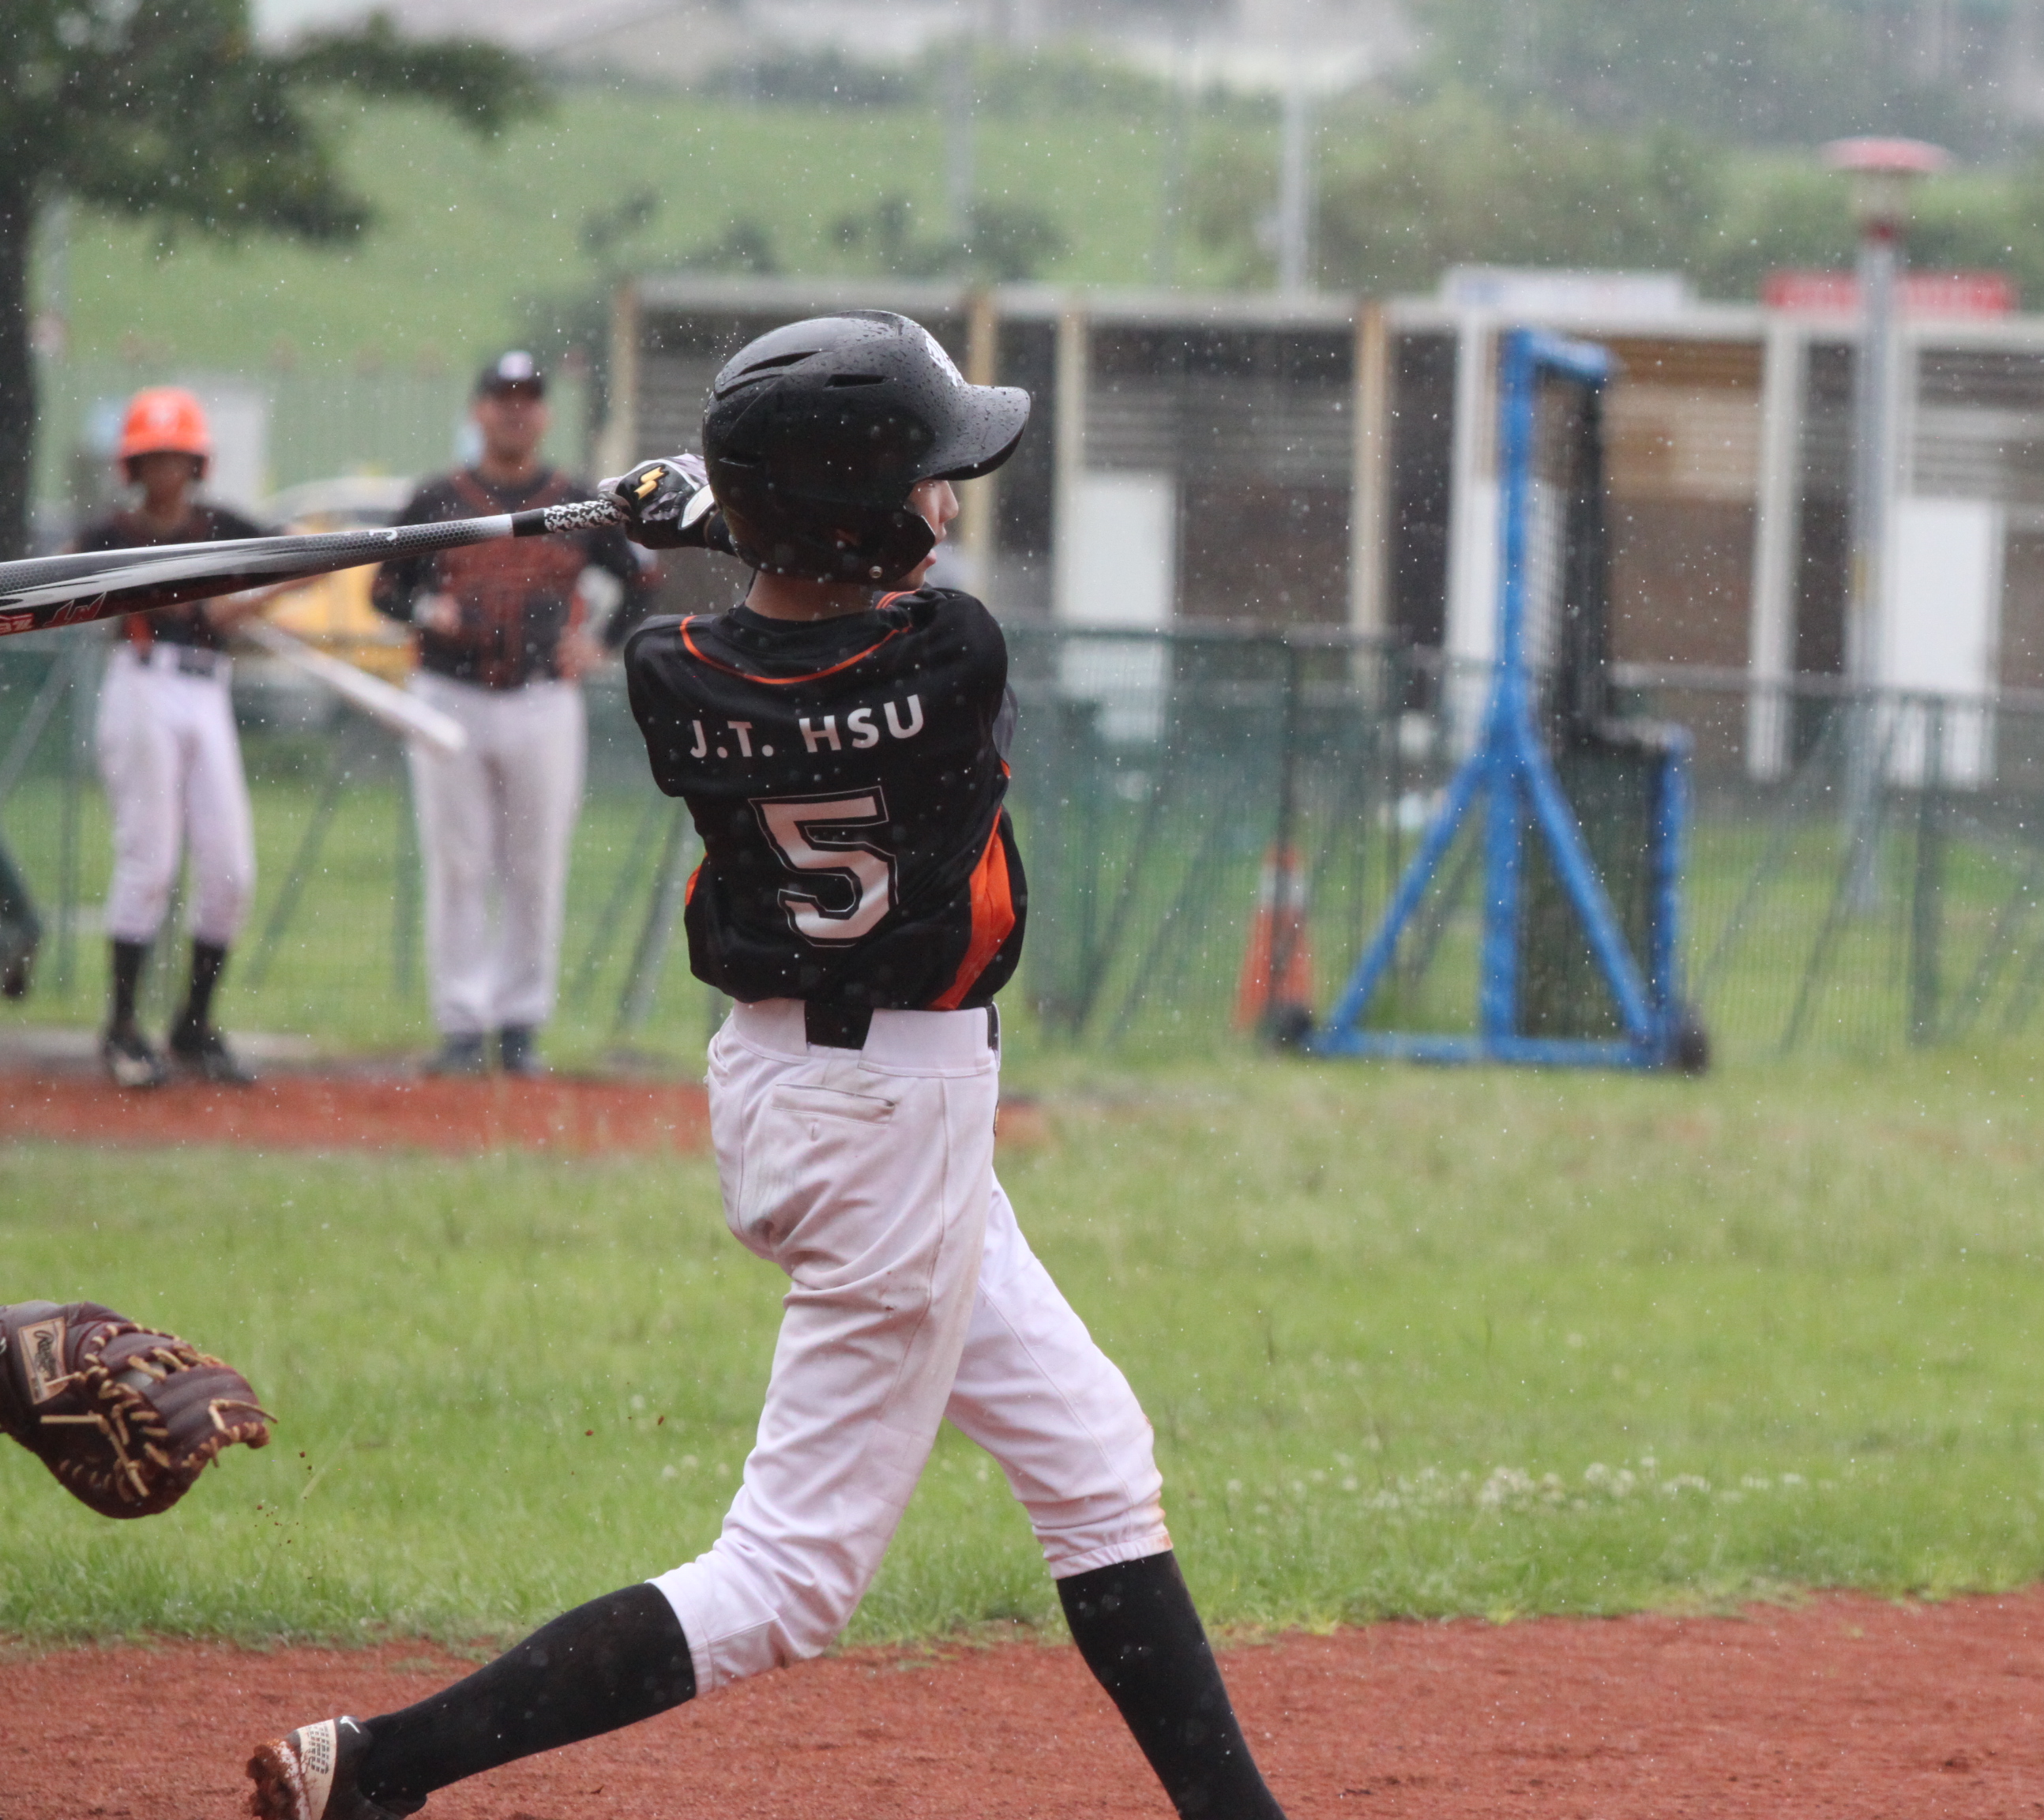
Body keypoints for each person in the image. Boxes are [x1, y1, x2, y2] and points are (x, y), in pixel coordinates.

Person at [244, 313, 1291, 1820]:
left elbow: (773, 609)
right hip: (893, 1114)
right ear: (863, 521)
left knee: (1090, 1454)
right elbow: (867, 598)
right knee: (788, 1576)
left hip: (794, 1084)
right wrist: (717, 509)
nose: (947, 498)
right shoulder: (956, 653)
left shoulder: (674, 671)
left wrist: (703, 514)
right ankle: (381, 1764)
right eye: (927, 478)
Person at [370, 352, 656, 1077]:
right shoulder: (439, 498)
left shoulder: (574, 500)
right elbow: (384, 588)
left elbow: (643, 578)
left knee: (534, 864)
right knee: (459, 862)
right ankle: (463, 1024)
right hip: (449, 693)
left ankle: (520, 1023)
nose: (515, 410)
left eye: (527, 397)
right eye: (502, 397)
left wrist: (600, 643)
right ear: (479, 410)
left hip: (541, 694)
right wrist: (425, 609)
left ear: (546, 413)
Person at [74, 386, 273, 1089]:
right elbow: (64, 593)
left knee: (231, 872)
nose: (167, 471)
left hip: (207, 687)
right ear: (133, 465)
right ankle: (123, 1028)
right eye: (154, 458)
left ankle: (193, 1024)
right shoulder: (111, 534)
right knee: (149, 864)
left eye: (178, 457)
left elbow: (300, 559)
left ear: (197, 463)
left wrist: (244, 604)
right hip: (142, 683)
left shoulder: (222, 526)